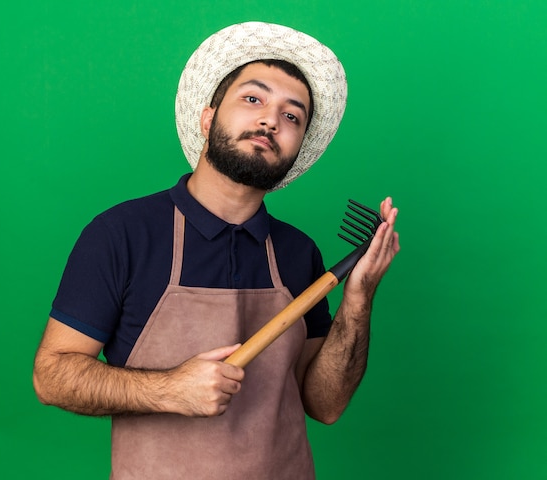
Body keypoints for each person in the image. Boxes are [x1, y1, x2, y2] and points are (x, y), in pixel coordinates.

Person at [33, 22, 400, 479]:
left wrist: (359, 299)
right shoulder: (122, 234)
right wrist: (168, 390)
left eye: (292, 116)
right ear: (208, 119)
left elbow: (325, 404)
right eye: (253, 99)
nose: (270, 120)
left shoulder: (297, 252)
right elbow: (52, 376)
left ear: (297, 148)